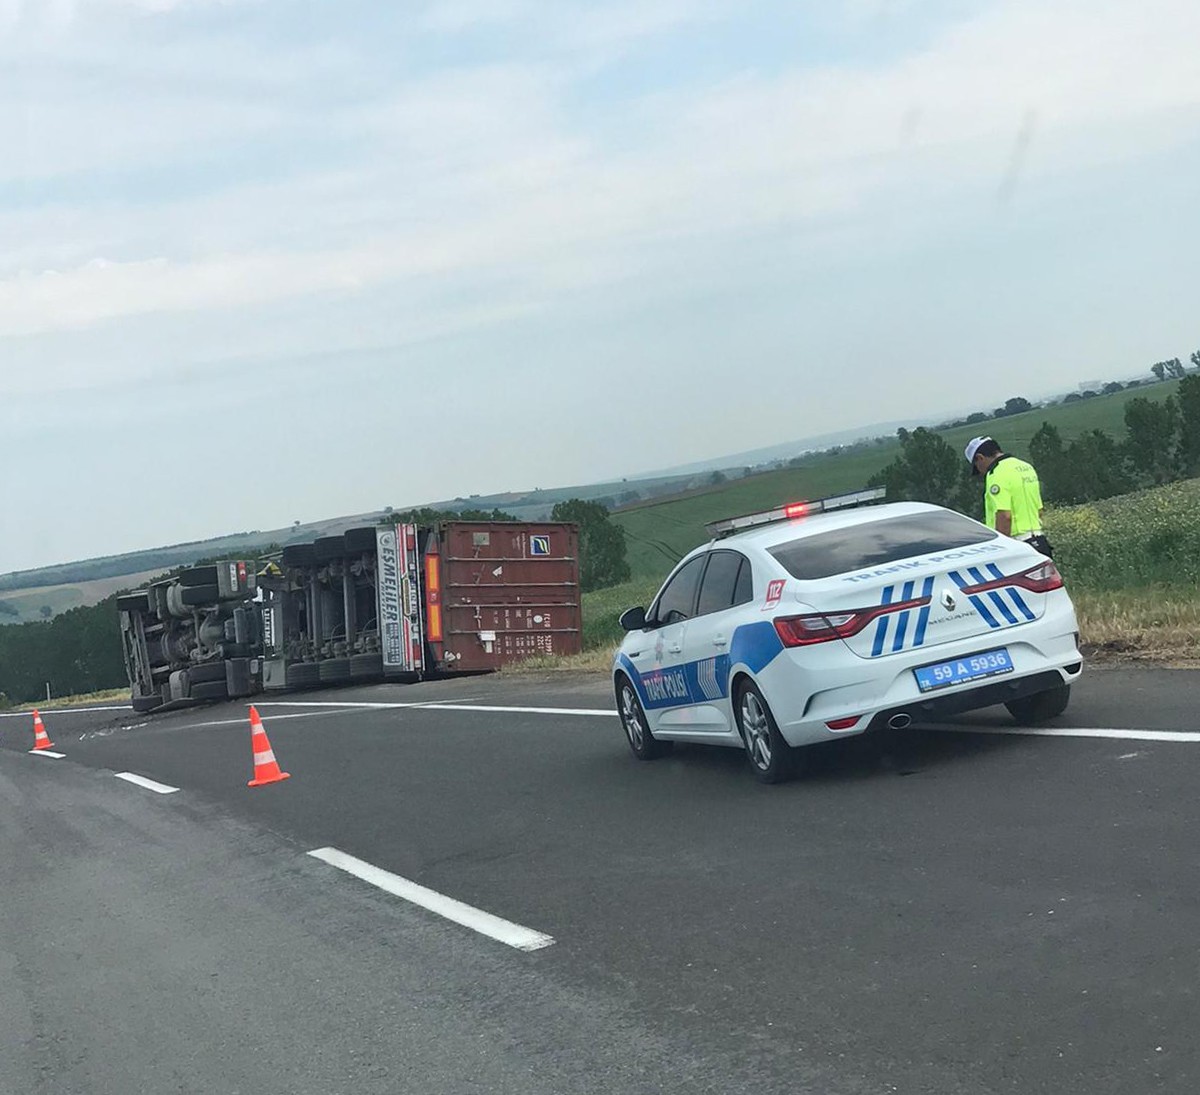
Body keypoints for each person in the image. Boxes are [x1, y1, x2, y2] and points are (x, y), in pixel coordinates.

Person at [963, 436, 1053, 557]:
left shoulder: (996, 473)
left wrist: (1002, 550)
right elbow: (1039, 510)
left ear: (980, 458)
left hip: (1018, 545)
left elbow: (1004, 516)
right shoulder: (1026, 467)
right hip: (1040, 542)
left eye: (977, 467)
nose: (980, 473)